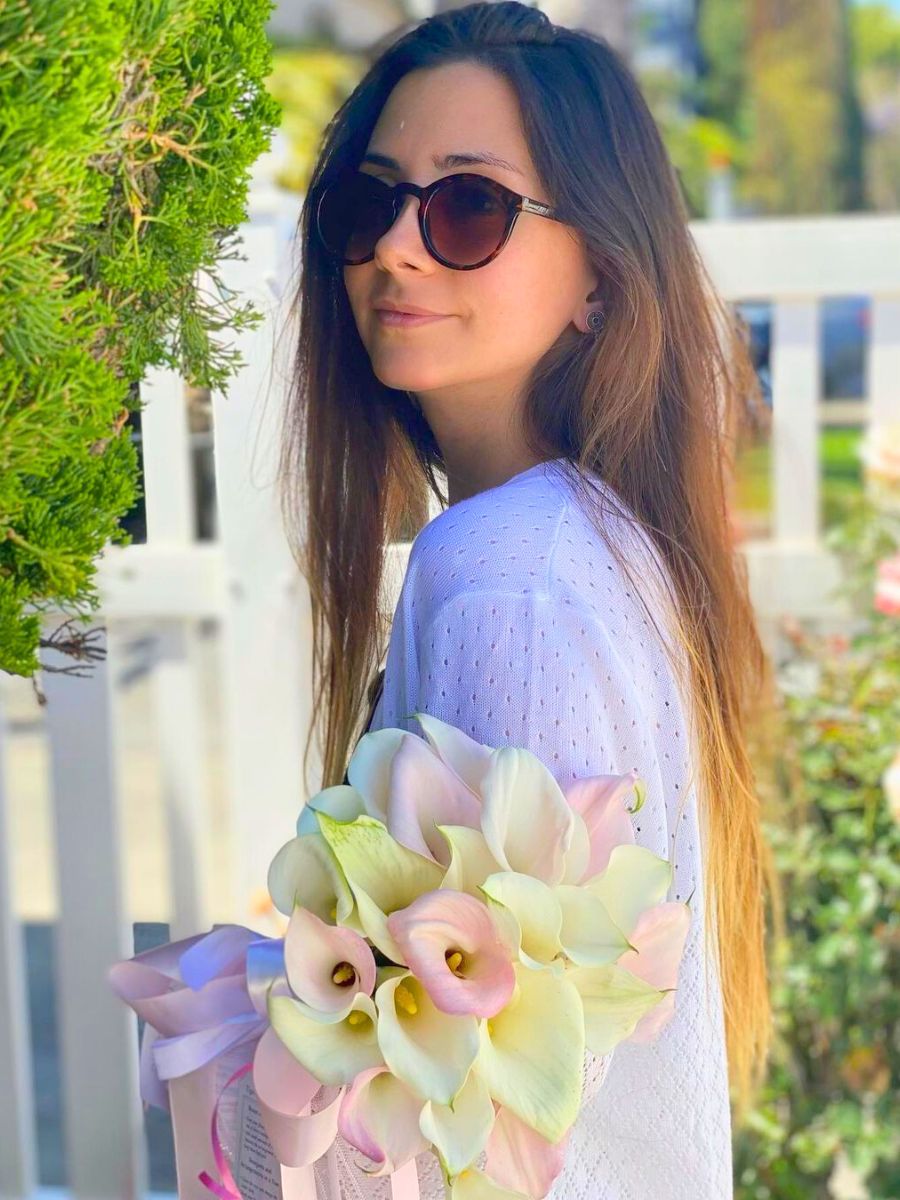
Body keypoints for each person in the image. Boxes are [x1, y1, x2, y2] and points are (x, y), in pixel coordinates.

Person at [278, 4, 780, 1196]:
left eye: (468, 208)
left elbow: (471, 1113)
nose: (396, 248)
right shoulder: (598, 536)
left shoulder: (509, 570)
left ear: (601, 279)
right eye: (370, 200)